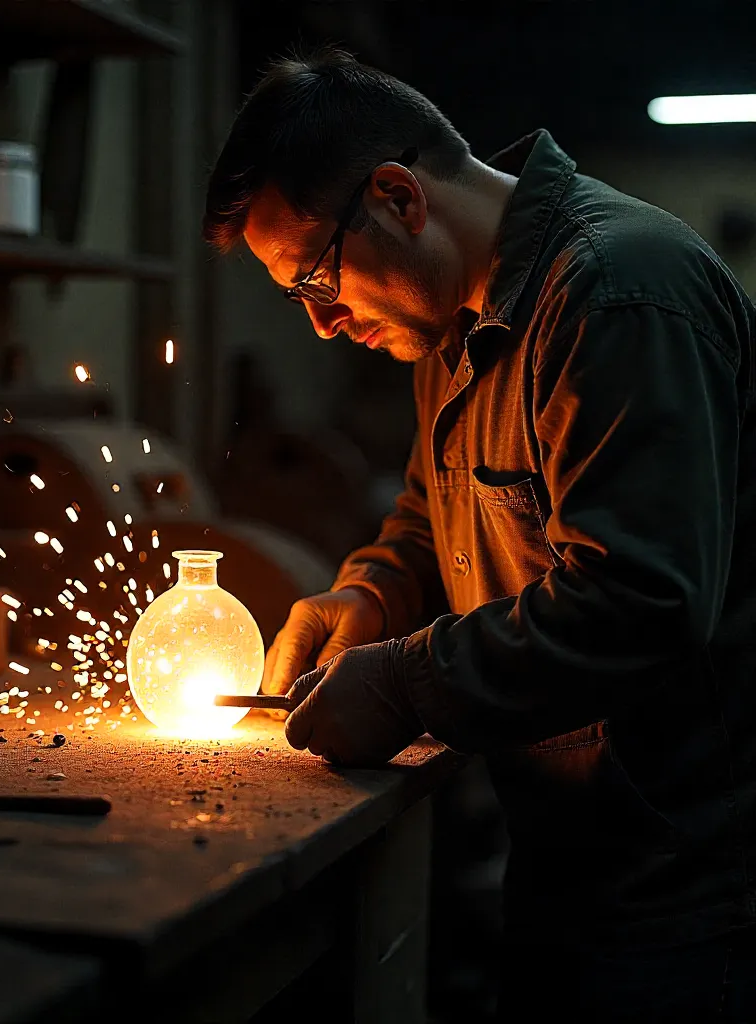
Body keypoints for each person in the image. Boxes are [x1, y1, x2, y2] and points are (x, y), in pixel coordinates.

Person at [203, 48, 756, 1021]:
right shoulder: (452, 314)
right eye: (301, 299)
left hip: (690, 890)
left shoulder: (617, 294)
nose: (324, 324)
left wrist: (405, 680)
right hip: (570, 859)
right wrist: (373, 593)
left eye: (317, 279)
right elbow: (435, 513)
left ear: (397, 198)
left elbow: (639, 602)